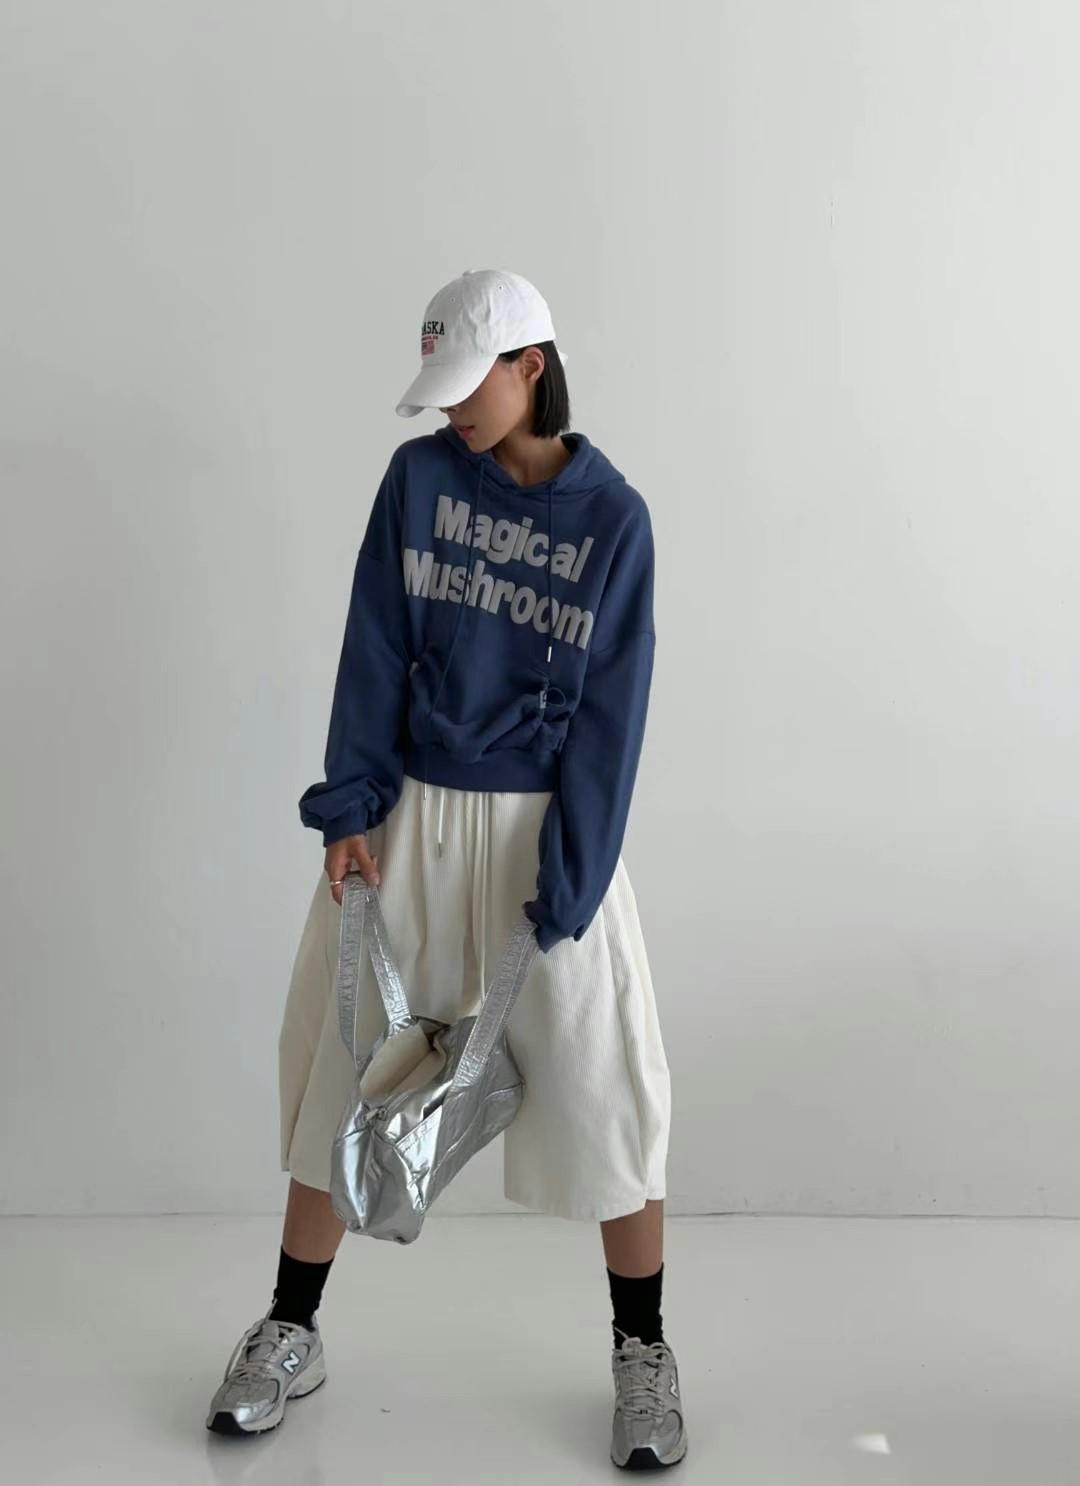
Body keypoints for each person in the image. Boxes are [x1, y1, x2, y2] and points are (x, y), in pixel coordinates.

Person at [205, 269, 686, 1471]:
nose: (452, 410)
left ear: (532, 365)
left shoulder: (613, 519)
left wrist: (574, 876)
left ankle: (643, 1349)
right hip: (410, 815)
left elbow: (613, 713)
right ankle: (291, 1325)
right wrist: (350, 804)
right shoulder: (417, 482)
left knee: (608, 1084)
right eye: (440, 387)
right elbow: (374, 639)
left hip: (543, 831)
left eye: (471, 383)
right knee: (345, 1068)